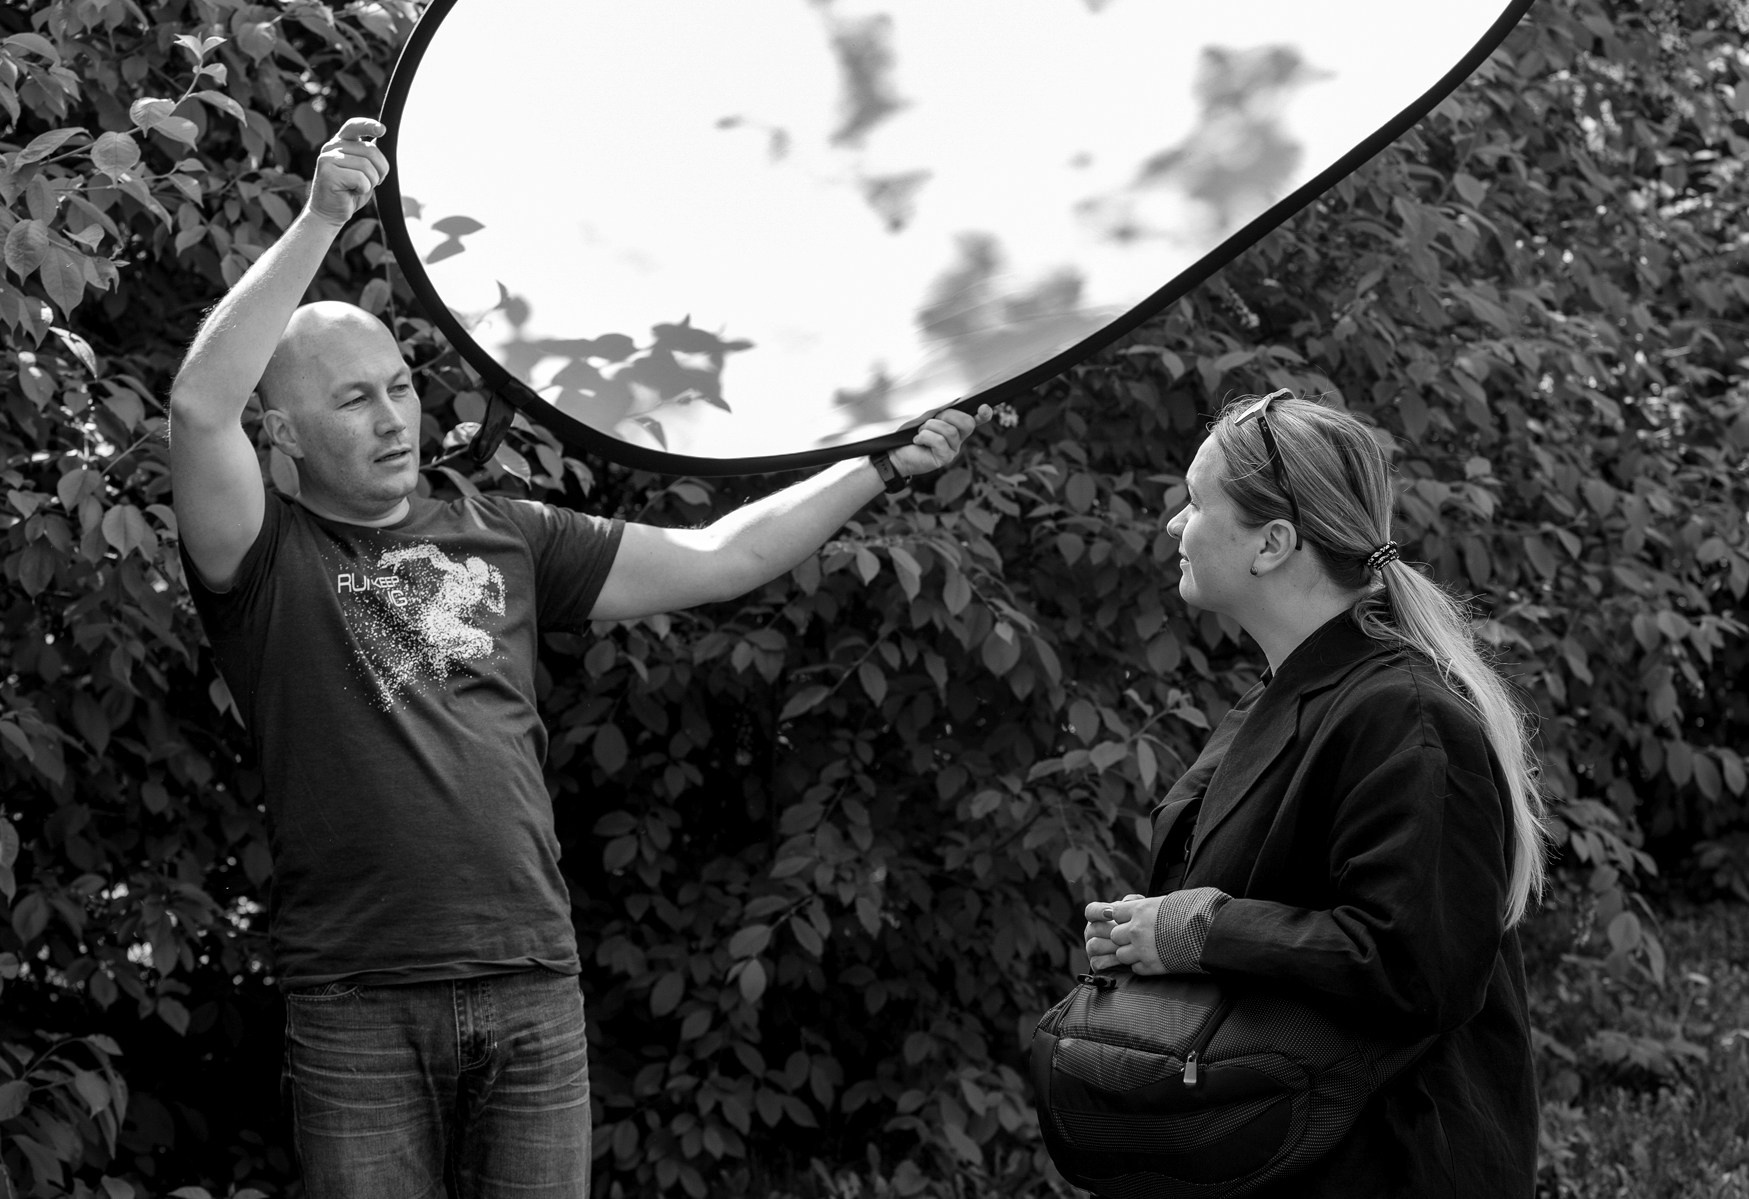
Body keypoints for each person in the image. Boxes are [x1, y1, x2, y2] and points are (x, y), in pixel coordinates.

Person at [168, 116, 989, 1199]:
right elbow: (199, 405)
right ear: (280, 432)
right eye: (352, 399)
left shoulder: (506, 531)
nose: (393, 417)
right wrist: (323, 216)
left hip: (532, 980)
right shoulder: (263, 555)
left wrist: (877, 465)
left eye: (400, 385)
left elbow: (722, 556)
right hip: (358, 997)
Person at [1082, 390, 1545, 1197]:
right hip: (1276, 1150)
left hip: (1387, 1163)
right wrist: (1145, 934)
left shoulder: (1406, 716)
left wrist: (1197, 930)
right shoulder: (1287, 691)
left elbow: (1416, 967)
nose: (1173, 524)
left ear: (1272, 543)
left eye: (1194, 502)